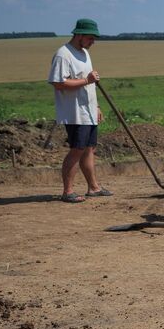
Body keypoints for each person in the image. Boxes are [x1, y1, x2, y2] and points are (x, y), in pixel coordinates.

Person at [48, 18, 112, 203]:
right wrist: (87, 81)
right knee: (77, 149)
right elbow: (58, 83)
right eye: (91, 38)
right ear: (79, 35)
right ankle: (67, 191)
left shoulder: (84, 53)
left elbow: (89, 83)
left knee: (89, 149)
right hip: (75, 112)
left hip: (88, 110)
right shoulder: (63, 54)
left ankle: (94, 188)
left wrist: (96, 105)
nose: (93, 42)